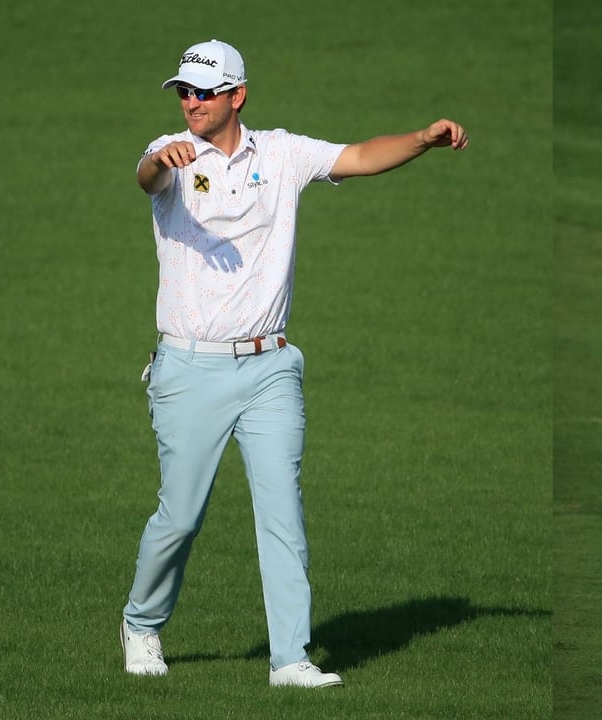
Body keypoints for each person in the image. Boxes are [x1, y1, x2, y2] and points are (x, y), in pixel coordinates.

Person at [119, 39, 468, 688]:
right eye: (184, 92)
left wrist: (422, 138)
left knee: (282, 511)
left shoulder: (279, 153)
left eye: (203, 91)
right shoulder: (171, 154)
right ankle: (141, 623)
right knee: (181, 516)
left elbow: (359, 156)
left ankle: (290, 658)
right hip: (189, 369)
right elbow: (147, 175)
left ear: (236, 96)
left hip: (270, 368)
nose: (190, 102)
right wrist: (158, 159)